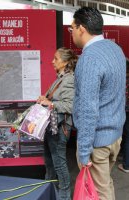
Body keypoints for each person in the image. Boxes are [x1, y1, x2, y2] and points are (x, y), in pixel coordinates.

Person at [70, 7, 126, 200]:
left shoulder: (89, 59)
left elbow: (88, 109)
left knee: (99, 193)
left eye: (72, 28)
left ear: (82, 28)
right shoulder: (115, 49)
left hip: (97, 141)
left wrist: (84, 151)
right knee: (104, 184)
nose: (72, 32)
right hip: (114, 136)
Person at [37, 47, 78, 200]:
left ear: (66, 62)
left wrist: (50, 103)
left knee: (59, 163)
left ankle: (64, 196)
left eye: (56, 58)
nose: (52, 61)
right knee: (49, 161)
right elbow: (55, 100)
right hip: (52, 126)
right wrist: (44, 99)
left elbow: (70, 106)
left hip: (60, 128)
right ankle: (48, 190)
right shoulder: (60, 78)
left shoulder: (69, 79)